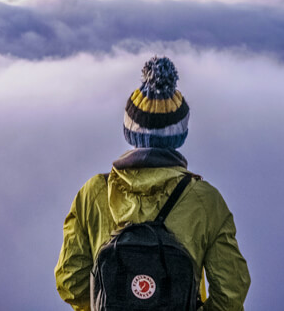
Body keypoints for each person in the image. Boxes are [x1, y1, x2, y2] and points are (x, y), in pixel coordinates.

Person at [54, 56, 251, 310]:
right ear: (180, 136)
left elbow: (69, 280)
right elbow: (231, 292)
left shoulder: (93, 193)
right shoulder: (205, 201)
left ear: (129, 131)